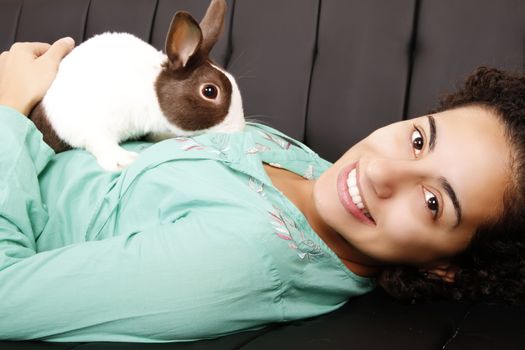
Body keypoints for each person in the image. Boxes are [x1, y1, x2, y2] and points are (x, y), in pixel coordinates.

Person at [0, 39, 523, 342]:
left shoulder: (234, 260)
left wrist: (9, 107)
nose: (381, 173)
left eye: (433, 202)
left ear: (446, 267)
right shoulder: (314, 169)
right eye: (417, 139)